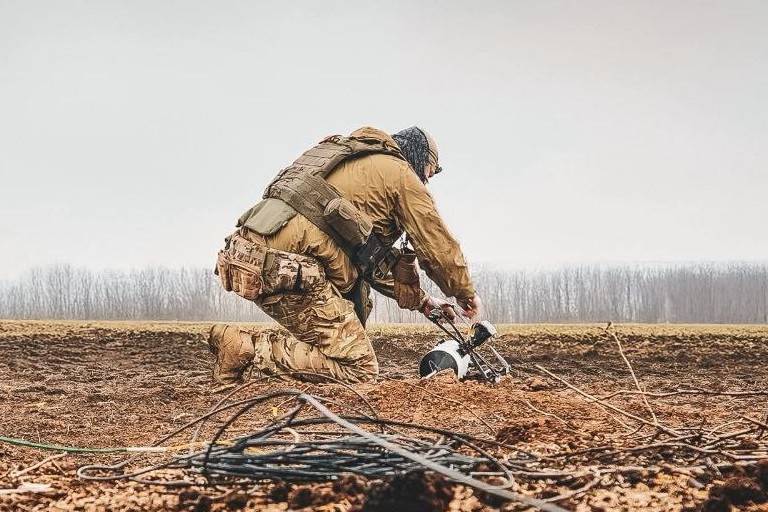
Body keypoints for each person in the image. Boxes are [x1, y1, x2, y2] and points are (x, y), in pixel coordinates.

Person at [208, 126, 484, 388]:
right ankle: (243, 347)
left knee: (340, 342)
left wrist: (423, 301)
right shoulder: (400, 174)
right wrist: (464, 293)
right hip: (286, 267)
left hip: (247, 257)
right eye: (429, 172)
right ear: (417, 157)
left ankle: (244, 360)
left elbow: (369, 259)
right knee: (358, 368)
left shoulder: (352, 161)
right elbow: (437, 245)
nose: (426, 180)